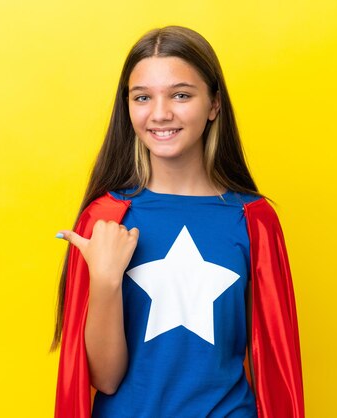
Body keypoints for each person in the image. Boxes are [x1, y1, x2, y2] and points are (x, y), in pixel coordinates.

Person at [51, 26, 304, 418]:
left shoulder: (254, 219)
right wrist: (104, 280)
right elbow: (105, 379)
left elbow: (275, 361)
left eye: (181, 95)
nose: (160, 113)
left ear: (213, 104)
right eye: (142, 98)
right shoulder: (105, 217)